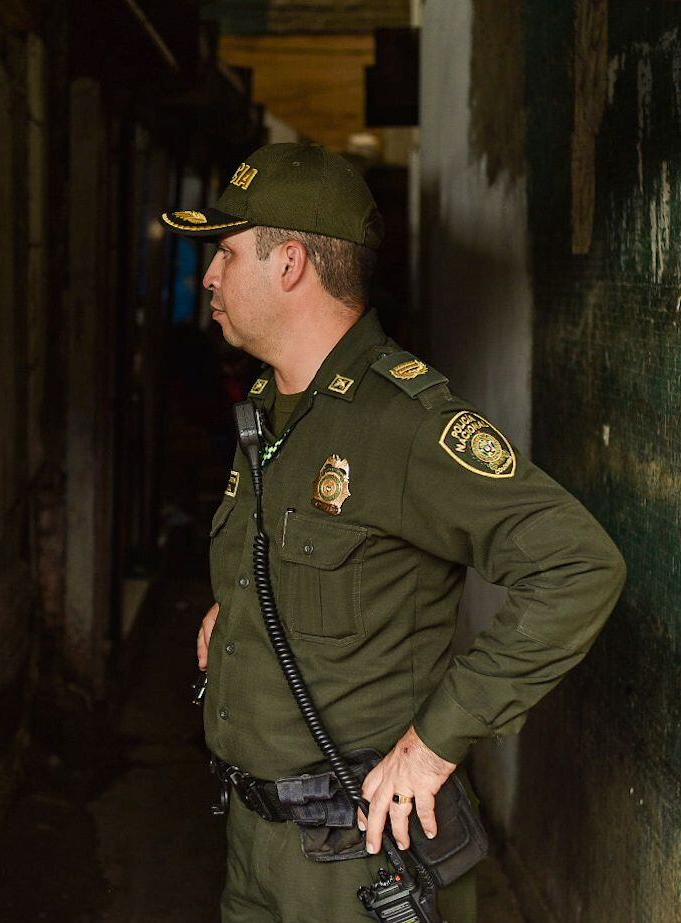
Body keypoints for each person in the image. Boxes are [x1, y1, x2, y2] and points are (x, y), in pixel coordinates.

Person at [163, 142, 626, 922]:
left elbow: (578, 565)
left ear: (289, 265)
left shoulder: (402, 424)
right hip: (254, 847)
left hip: (357, 864)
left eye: (226, 251)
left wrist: (435, 741)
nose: (207, 275)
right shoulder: (273, 408)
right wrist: (236, 607)